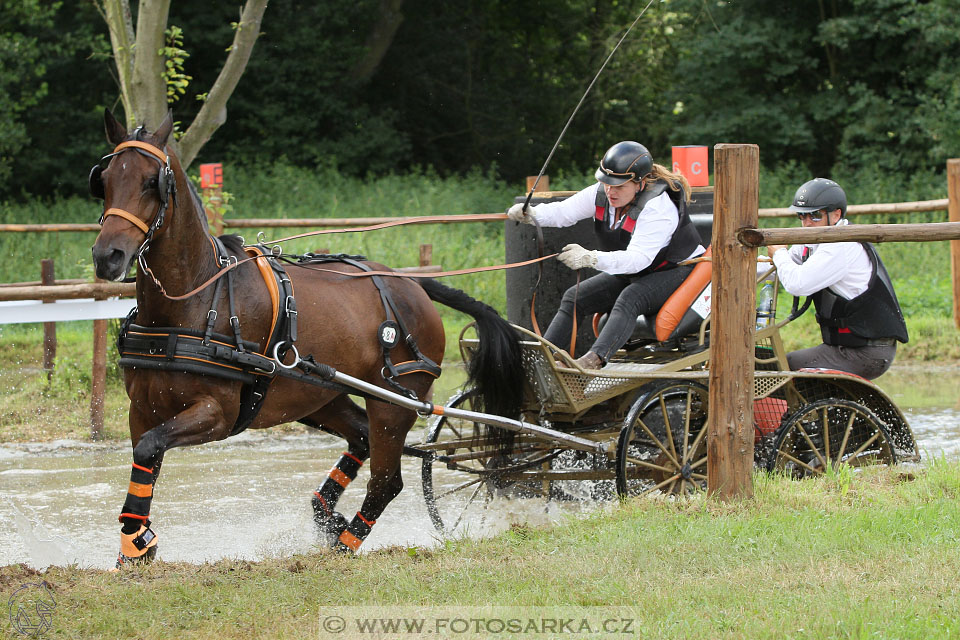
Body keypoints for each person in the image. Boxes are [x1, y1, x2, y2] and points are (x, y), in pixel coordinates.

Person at [507, 141, 705, 369]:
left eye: (619, 186)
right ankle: (542, 363)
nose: (610, 191)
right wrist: (531, 214)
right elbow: (564, 212)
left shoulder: (657, 208)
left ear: (639, 183)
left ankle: (593, 362)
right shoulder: (603, 193)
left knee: (630, 298)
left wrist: (592, 258)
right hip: (638, 269)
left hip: (677, 270)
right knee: (574, 297)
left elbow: (638, 259)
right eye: (607, 183)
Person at [767, 178, 908, 380]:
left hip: (866, 353)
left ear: (836, 214)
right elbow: (784, 264)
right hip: (849, 346)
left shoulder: (840, 244)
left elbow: (797, 284)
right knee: (776, 364)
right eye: (802, 216)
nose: (806, 224)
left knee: (778, 368)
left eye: (814, 215)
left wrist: (778, 253)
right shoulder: (816, 239)